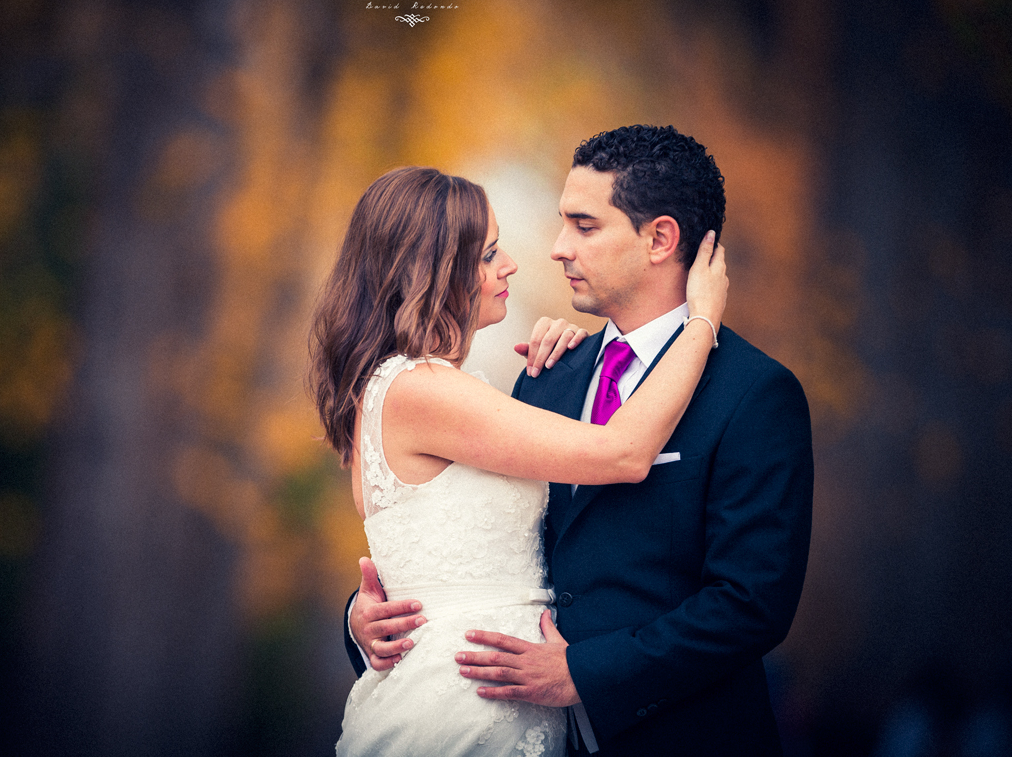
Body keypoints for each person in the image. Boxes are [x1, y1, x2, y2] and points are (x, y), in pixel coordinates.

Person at [348, 126, 814, 756]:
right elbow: (492, 547)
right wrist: (365, 618)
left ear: (660, 239)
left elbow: (751, 605)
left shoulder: (755, 393)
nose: (556, 249)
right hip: (505, 728)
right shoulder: (545, 378)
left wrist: (586, 676)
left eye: (584, 226)